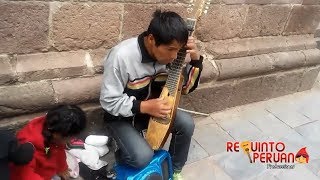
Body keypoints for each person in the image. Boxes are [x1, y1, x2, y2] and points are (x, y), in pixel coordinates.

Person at [100, 10, 203, 180]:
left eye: (178, 50)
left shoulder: (170, 58)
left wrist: (196, 60)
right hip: (121, 118)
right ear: (151, 39)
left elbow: (184, 88)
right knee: (142, 157)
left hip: (152, 111)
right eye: (170, 49)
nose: (174, 56)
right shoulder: (121, 56)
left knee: (186, 124)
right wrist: (145, 107)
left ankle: (175, 170)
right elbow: (108, 101)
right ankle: (119, 146)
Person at [9, 105, 87, 180]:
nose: (72, 140)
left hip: (45, 168)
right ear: (57, 135)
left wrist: (62, 167)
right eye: (72, 137)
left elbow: (58, 150)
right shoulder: (26, 148)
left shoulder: (54, 128)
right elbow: (25, 176)